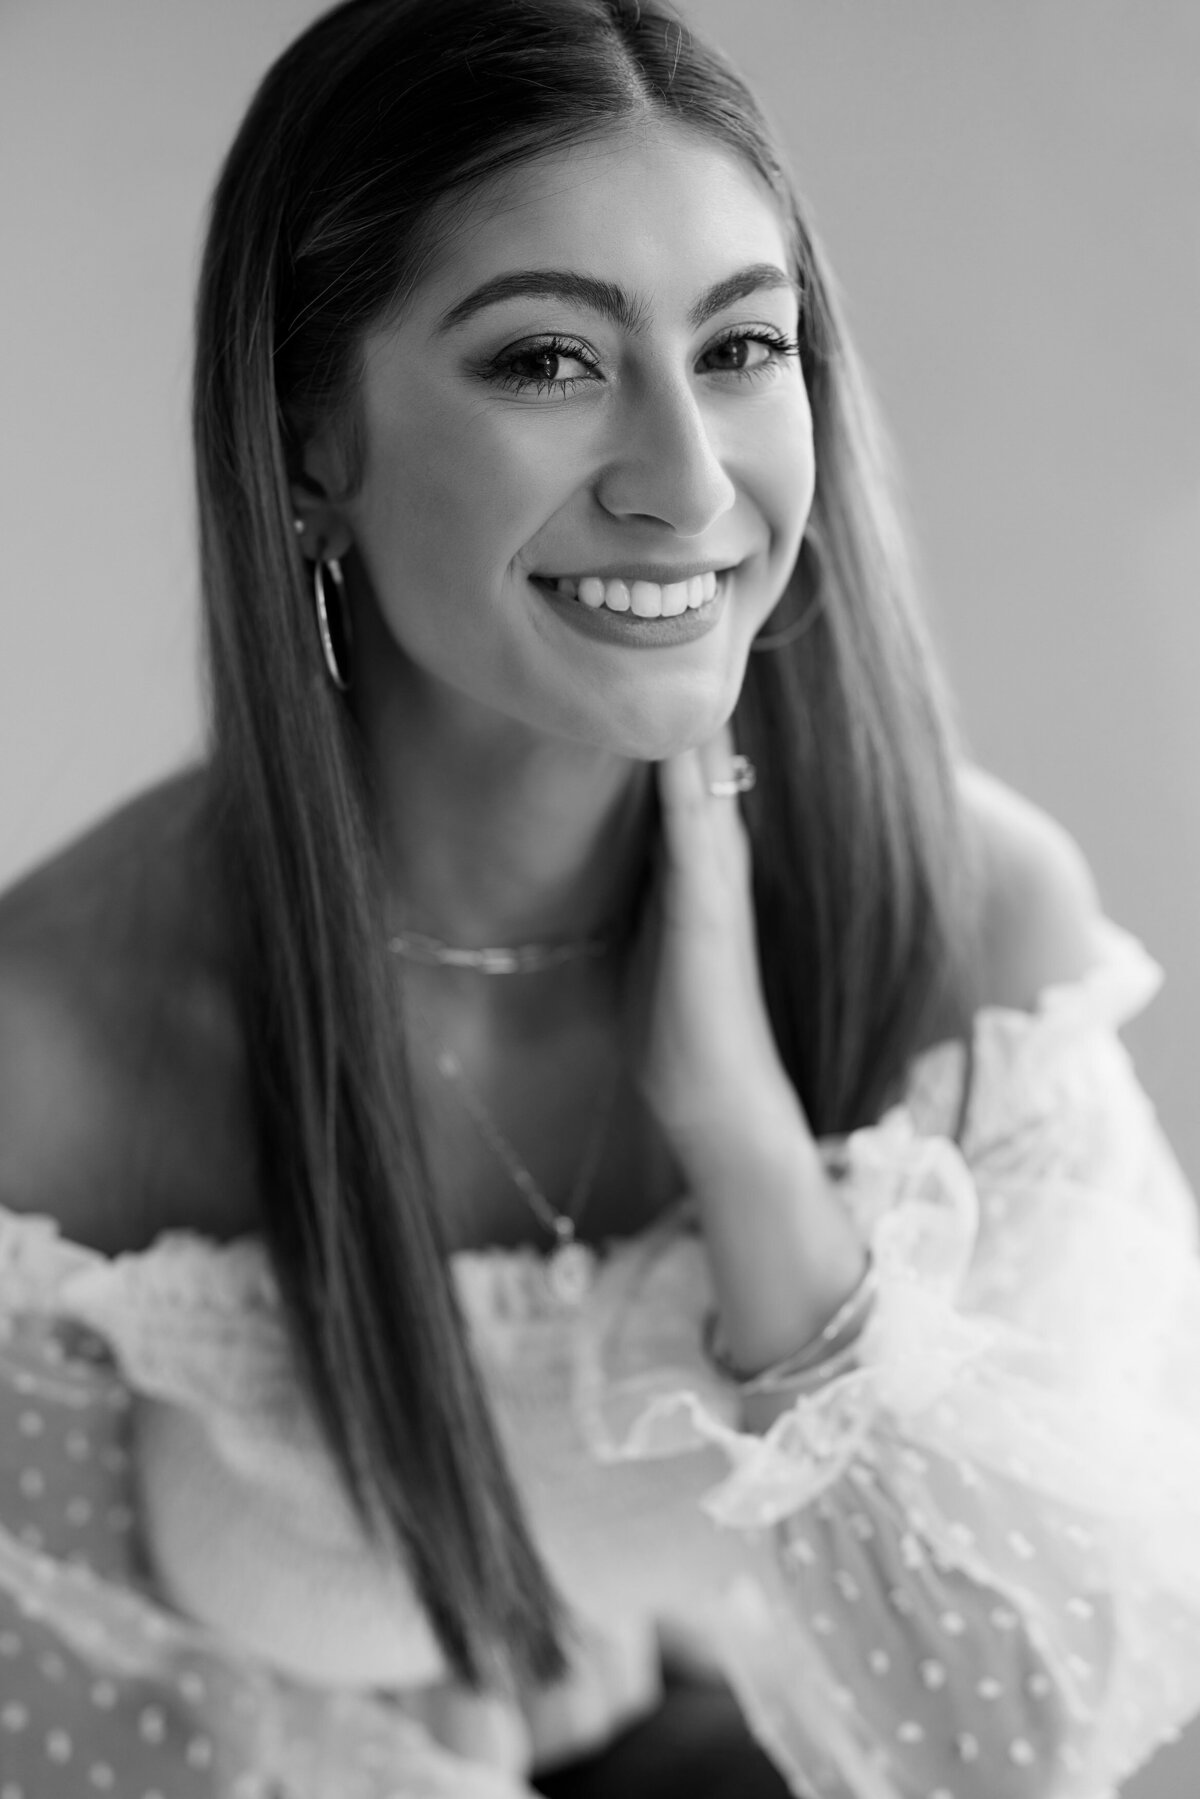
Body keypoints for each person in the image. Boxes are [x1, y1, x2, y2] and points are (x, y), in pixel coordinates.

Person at [1, 0, 1198, 1793]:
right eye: (550, 361)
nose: (689, 480)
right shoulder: (62, 1039)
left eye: (741, 346)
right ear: (309, 442)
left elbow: (1036, 1737)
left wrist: (749, 1152)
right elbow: (57, 1735)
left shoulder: (973, 924)